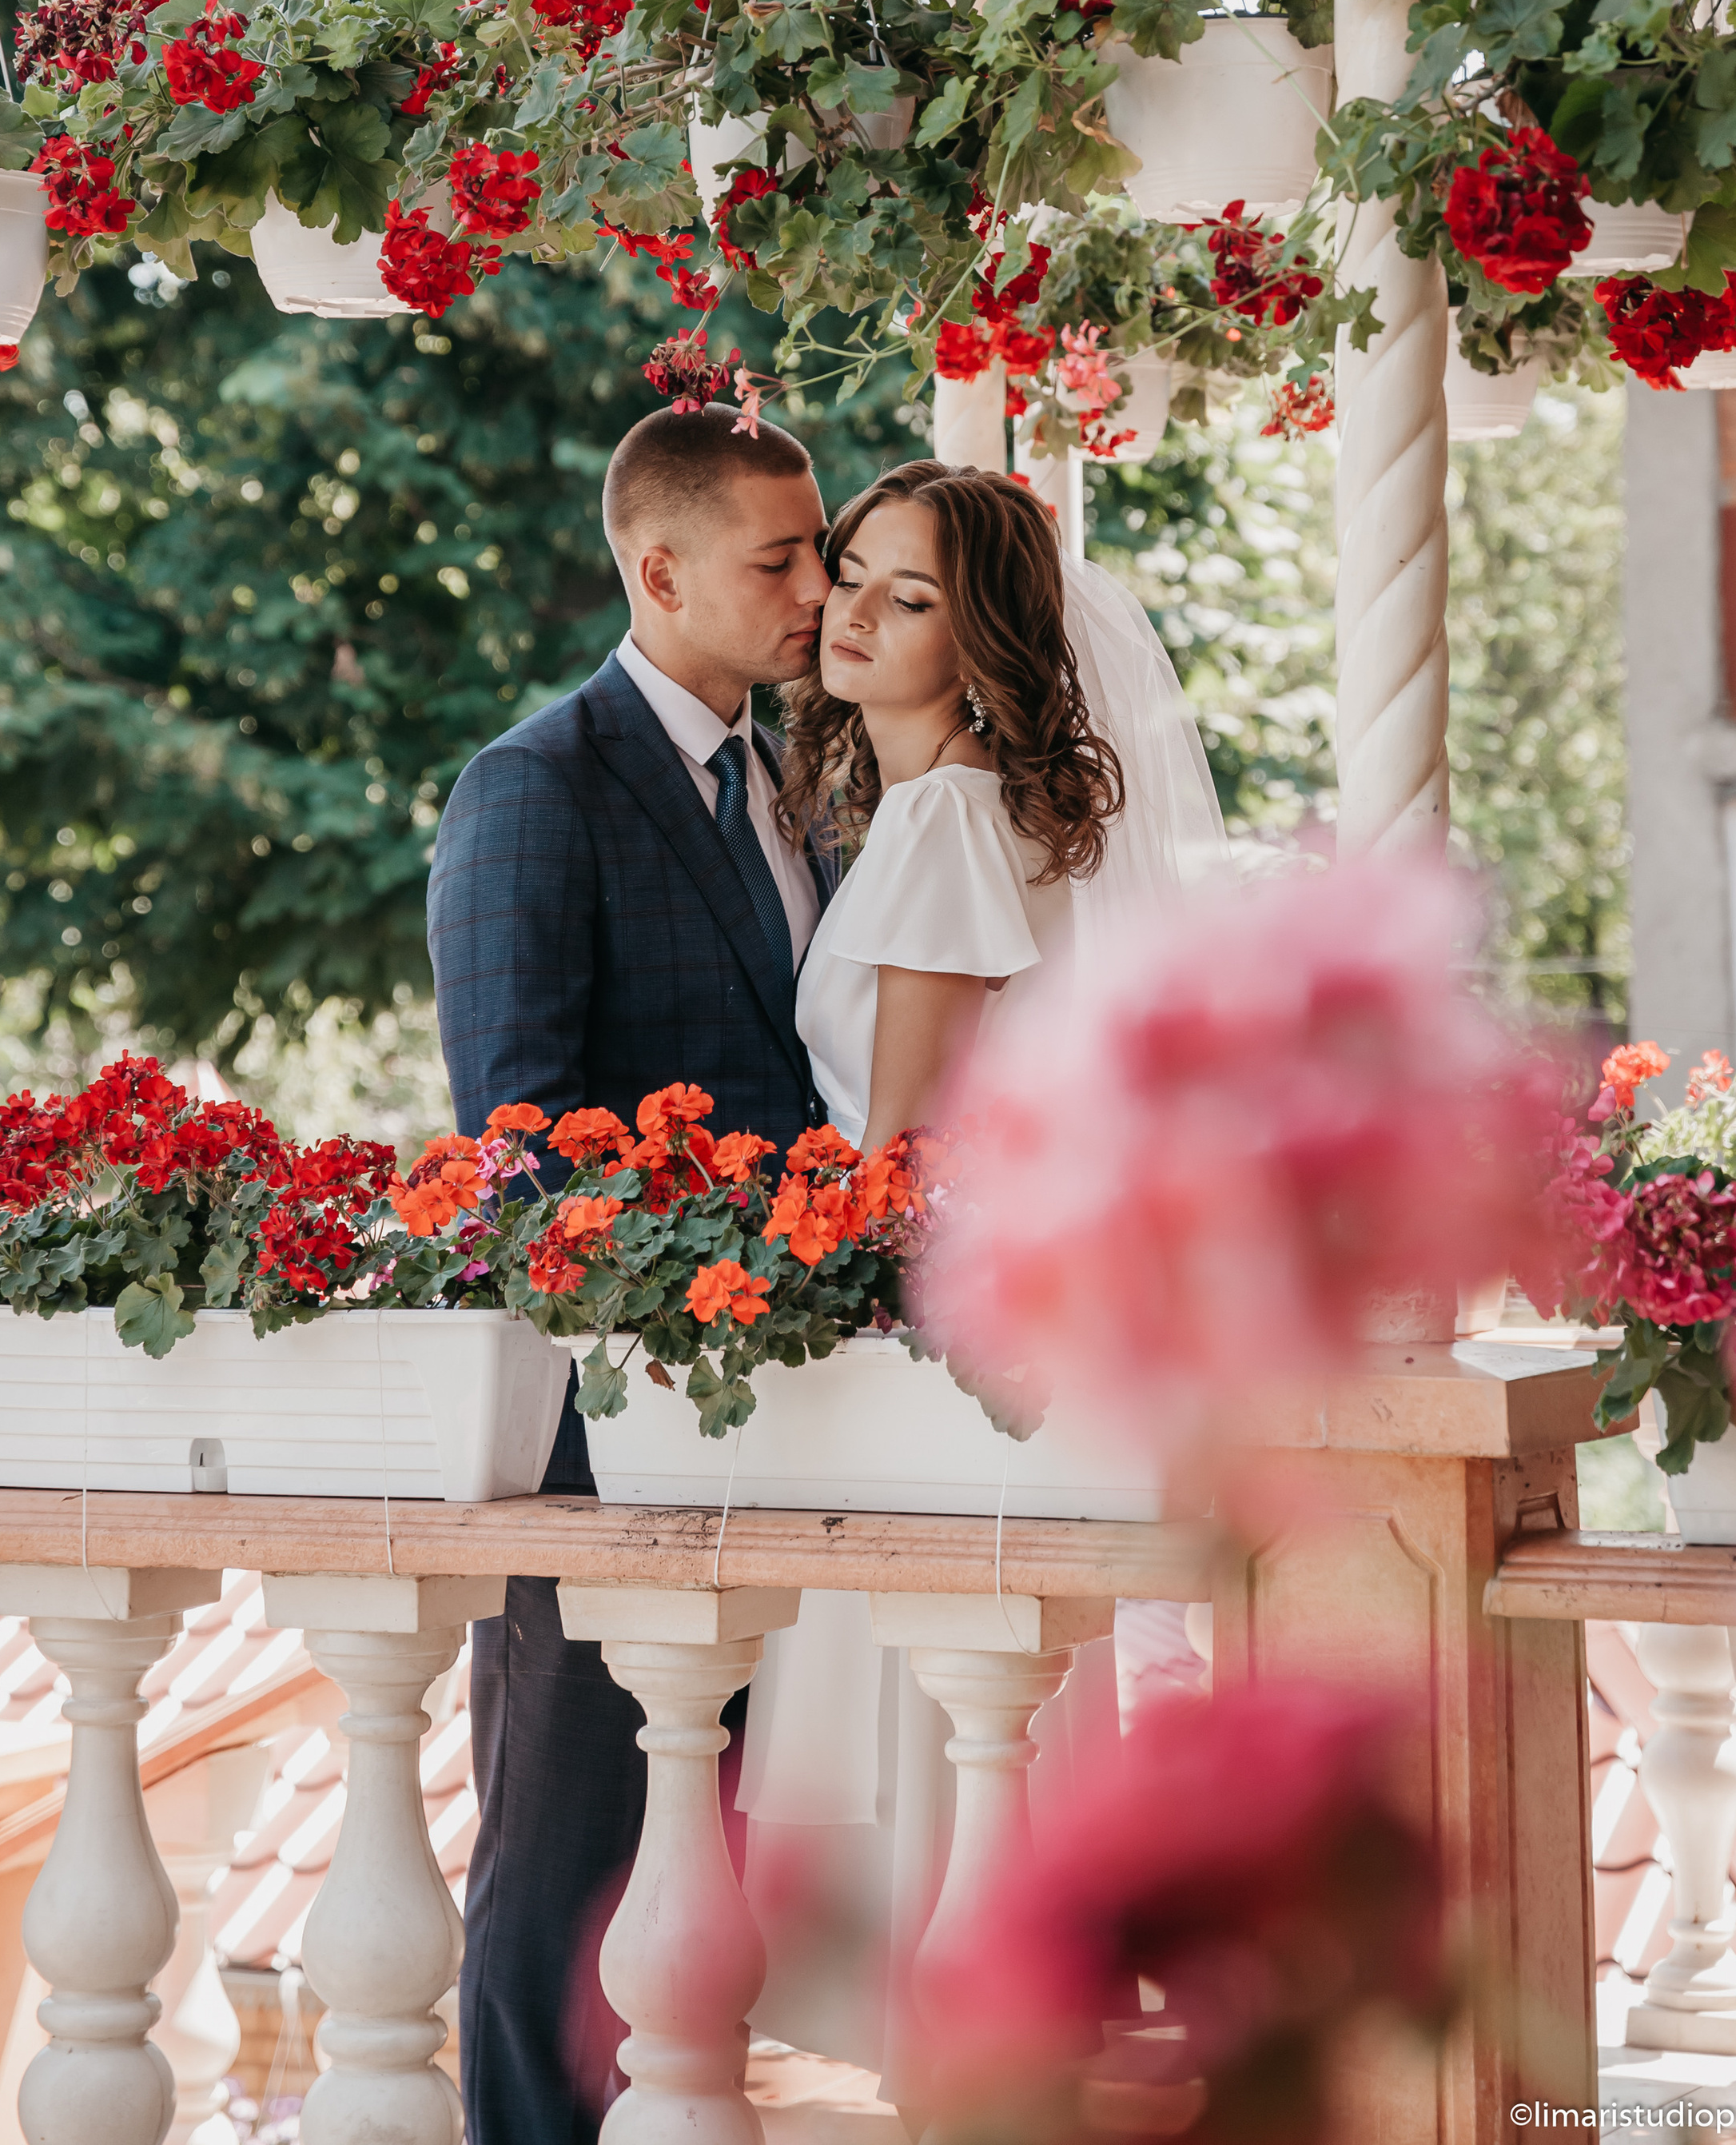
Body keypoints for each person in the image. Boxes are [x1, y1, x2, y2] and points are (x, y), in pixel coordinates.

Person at [740, 458, 1226, 2091]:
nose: (853, 615)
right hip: (1000, 1341)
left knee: (936, 1759)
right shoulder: (975, 811)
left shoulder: (949, 817)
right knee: (987, 1756)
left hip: (925, 1354)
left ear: (987, 635)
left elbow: (906, 1155)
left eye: (911, 595)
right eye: (853, 574)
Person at [427, 400, 836, 2145]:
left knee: (703, 1873)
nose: (817, 586)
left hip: (788, 1423)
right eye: (780, 558)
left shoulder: (794, 776)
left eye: (817, 549)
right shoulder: (533, 784)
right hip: (609, 1441)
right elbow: (515, 1140)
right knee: (563, 1871)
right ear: (657, 570)